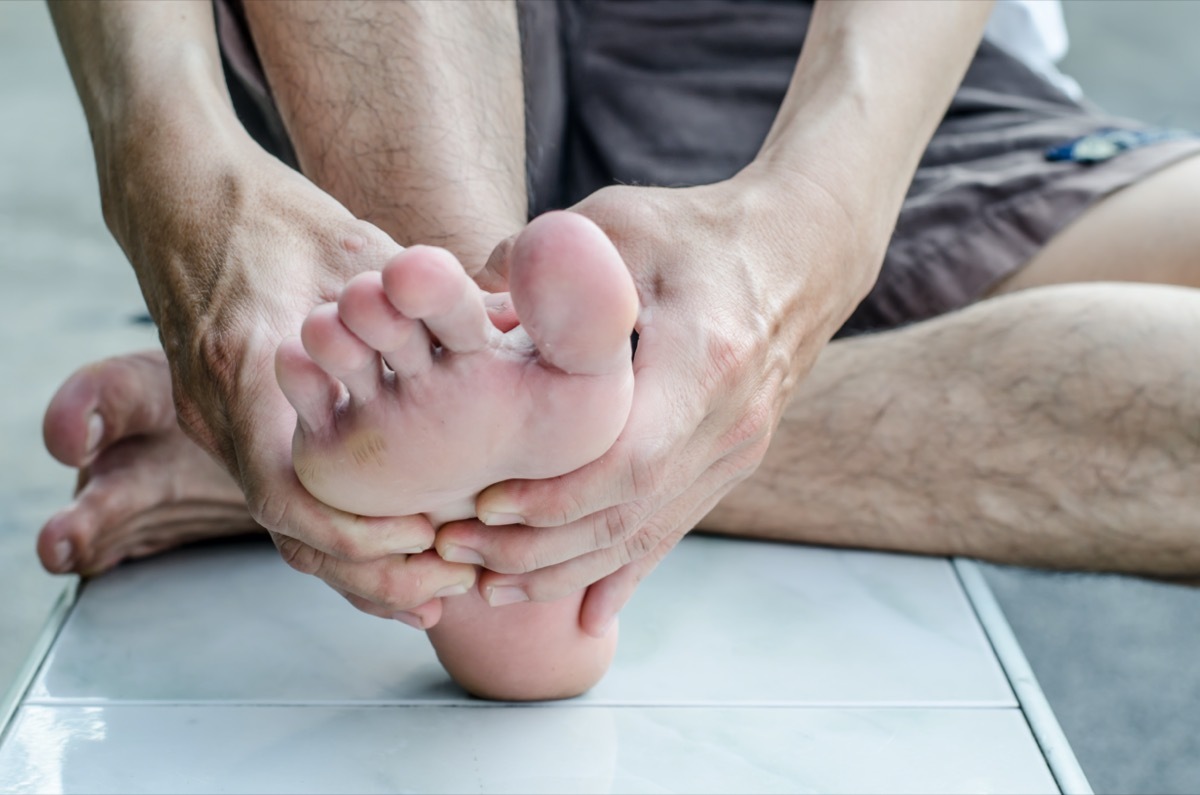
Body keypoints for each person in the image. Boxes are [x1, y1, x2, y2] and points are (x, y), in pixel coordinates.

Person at [38, 0, 1200, 698]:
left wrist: (816, 224)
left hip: (853, 78)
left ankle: (466, 473)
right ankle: (504, 470)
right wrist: (176, 170)